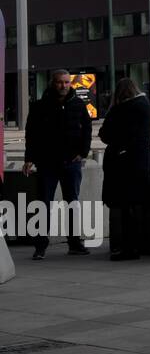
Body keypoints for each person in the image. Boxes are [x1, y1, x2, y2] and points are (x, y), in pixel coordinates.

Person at [21, 69, 92, 259]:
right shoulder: (40, 106)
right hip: (47, 163)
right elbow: (31, 134)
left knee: (72, 204)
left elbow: (87, 129)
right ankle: (40, 246)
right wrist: (29, 158)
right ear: (53, 83)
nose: (64, 86)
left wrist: (83, 153)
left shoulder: (77, 104)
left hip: (71, 162)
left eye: (67, 82)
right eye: (60, 82)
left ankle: (75, 243)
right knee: (44, 204)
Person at [99, 78, 150, 261]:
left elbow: (104, 134)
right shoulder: (144, 106)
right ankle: (136, 246)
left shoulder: (120, 110)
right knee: (135, 206)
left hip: (121, 166)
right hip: (140, 165)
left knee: (120, 207)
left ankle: (123, 248)